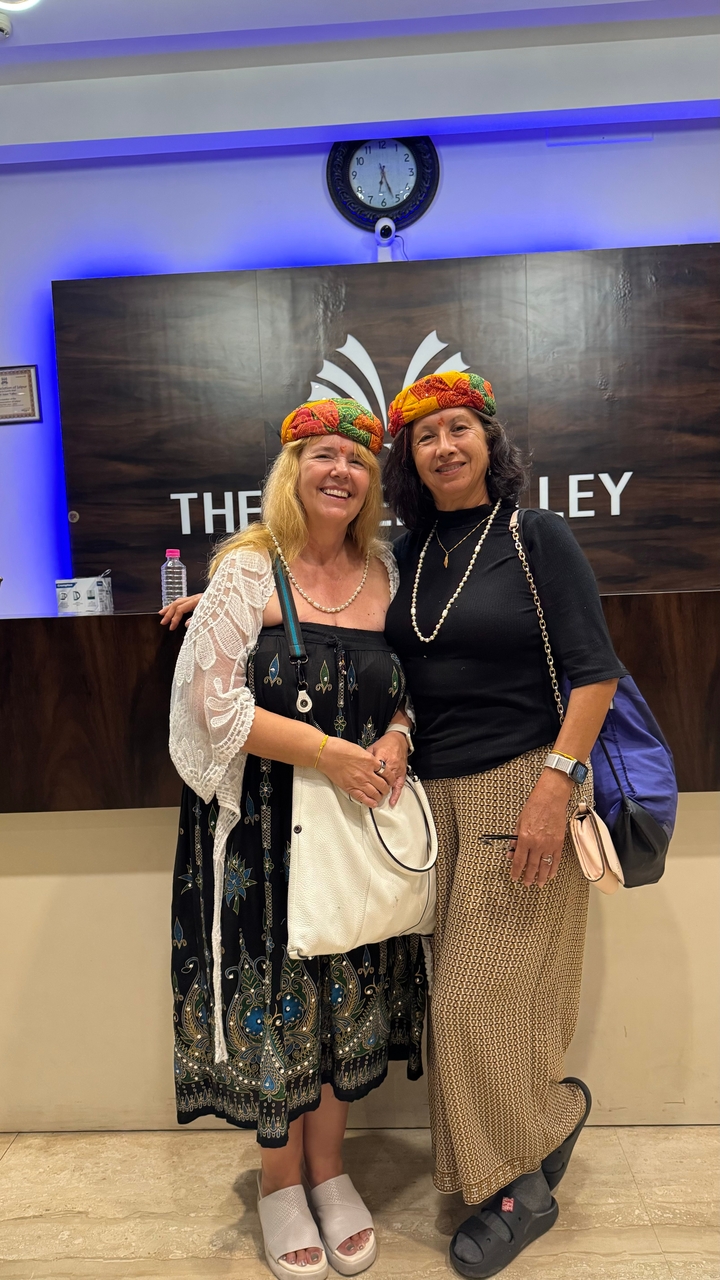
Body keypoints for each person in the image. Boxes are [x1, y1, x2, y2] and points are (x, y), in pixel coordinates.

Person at [166, 397, 425, 1280]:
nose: (340, 472)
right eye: (321, 455)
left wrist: (393, 738)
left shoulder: (385, 572)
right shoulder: (248, 569)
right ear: (292, 469)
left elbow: (410, 687)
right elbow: (214, 704)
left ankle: (330, 1169)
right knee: (277, 992)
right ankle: (281, 1183)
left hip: (352, 826)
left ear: (371, 482)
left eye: (356, 460)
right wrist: (328, 753)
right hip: (261, 834)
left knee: (342, 978)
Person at [381, 370, 627, 1279]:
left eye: (458, 429)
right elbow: (373, 651)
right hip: (432, 805)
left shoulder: (534, 535)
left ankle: (516, 1185)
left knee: (474, 1000)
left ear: (488, 440)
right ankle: (548, 1117)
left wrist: (555, 786)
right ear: (408, 458)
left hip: (525, 782)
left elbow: (594, 674)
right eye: (425, 437)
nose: (445, 447)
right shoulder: (402, 553)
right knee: (476, 1001)